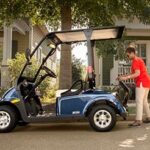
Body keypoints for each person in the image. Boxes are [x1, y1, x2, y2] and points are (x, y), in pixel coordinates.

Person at [118, 46, 150, 127]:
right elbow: (133, 73)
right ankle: (149, 117)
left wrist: (125, 78)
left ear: (132, 53)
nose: (127, 57)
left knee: (139, 101)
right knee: (144, 101)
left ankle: (138, 120)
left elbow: (137, 74)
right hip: (147, 81)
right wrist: (123, 76)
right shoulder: (138, 60)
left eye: (128, 55)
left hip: (141, 82)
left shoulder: (135, 61)